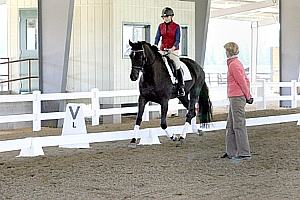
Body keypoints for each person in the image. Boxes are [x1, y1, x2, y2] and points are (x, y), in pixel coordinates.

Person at [221, 42, 253, 160]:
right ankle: (231, 152)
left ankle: (245, 152)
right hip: (234, 97)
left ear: (228, 52)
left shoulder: (234, 65)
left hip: (237, 97)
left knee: (239, 125)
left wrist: (248, 96)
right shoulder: (234, 63)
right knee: (230, 125)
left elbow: (242, 82)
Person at [154, 7, 185, 96]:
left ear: (171, 16)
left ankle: (181, 86)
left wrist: (172, 48)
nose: (165, 18)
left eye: (167, 16)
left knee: (177, 65)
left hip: (172, 50)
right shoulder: (161, 26)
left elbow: (177, 40)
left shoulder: (176, 27)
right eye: (164, 17)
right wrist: (155, 45)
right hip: (163, 49)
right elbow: (157, 37)